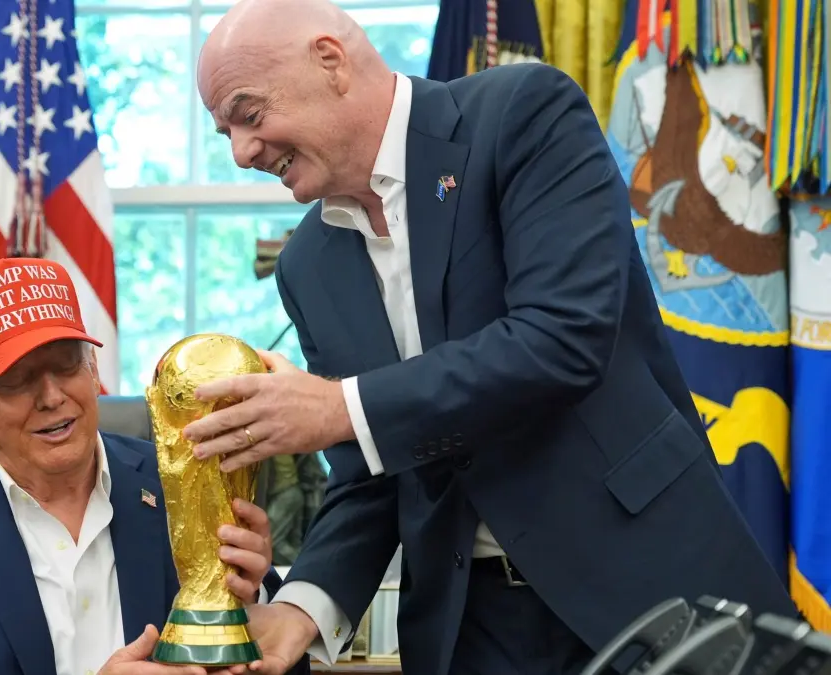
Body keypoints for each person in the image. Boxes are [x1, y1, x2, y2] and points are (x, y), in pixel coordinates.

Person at [186, 0, 799, 673]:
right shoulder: (308, 265)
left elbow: (563, 337)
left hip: (646, 587)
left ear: (330, 62)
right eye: (226, 135)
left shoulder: (522, 113)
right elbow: (371, 467)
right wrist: (300, 608)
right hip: (468, 633)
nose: (244, 152)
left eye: (248, 114)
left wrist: (337, 408)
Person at [0, 257, 310, 675]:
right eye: (17, 380)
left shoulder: (183, 482)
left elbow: (284, 660)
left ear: (93, 370)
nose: (52, 397)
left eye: (67, 365)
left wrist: (255, 598)